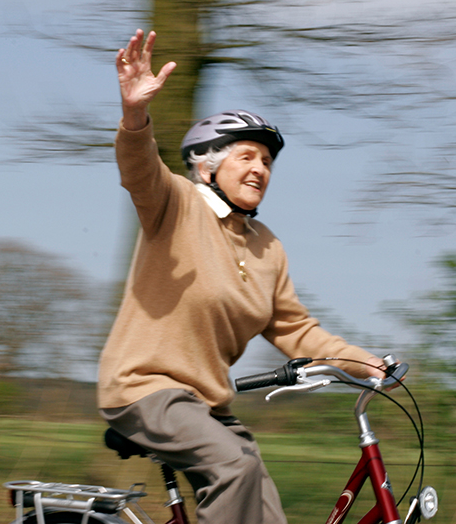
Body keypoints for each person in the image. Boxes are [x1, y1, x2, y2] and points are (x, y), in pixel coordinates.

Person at [97, 29, 387, 524]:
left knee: (263, 505)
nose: (260, 170)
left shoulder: (266, 246)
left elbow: (297, 331)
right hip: (146, 390)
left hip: (206, 404)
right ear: (207, 167)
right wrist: (134, 114)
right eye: (246, 156)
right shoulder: (176, 205)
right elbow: (139, 169)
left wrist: (367, 364)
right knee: (234, 469)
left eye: (268, 161)